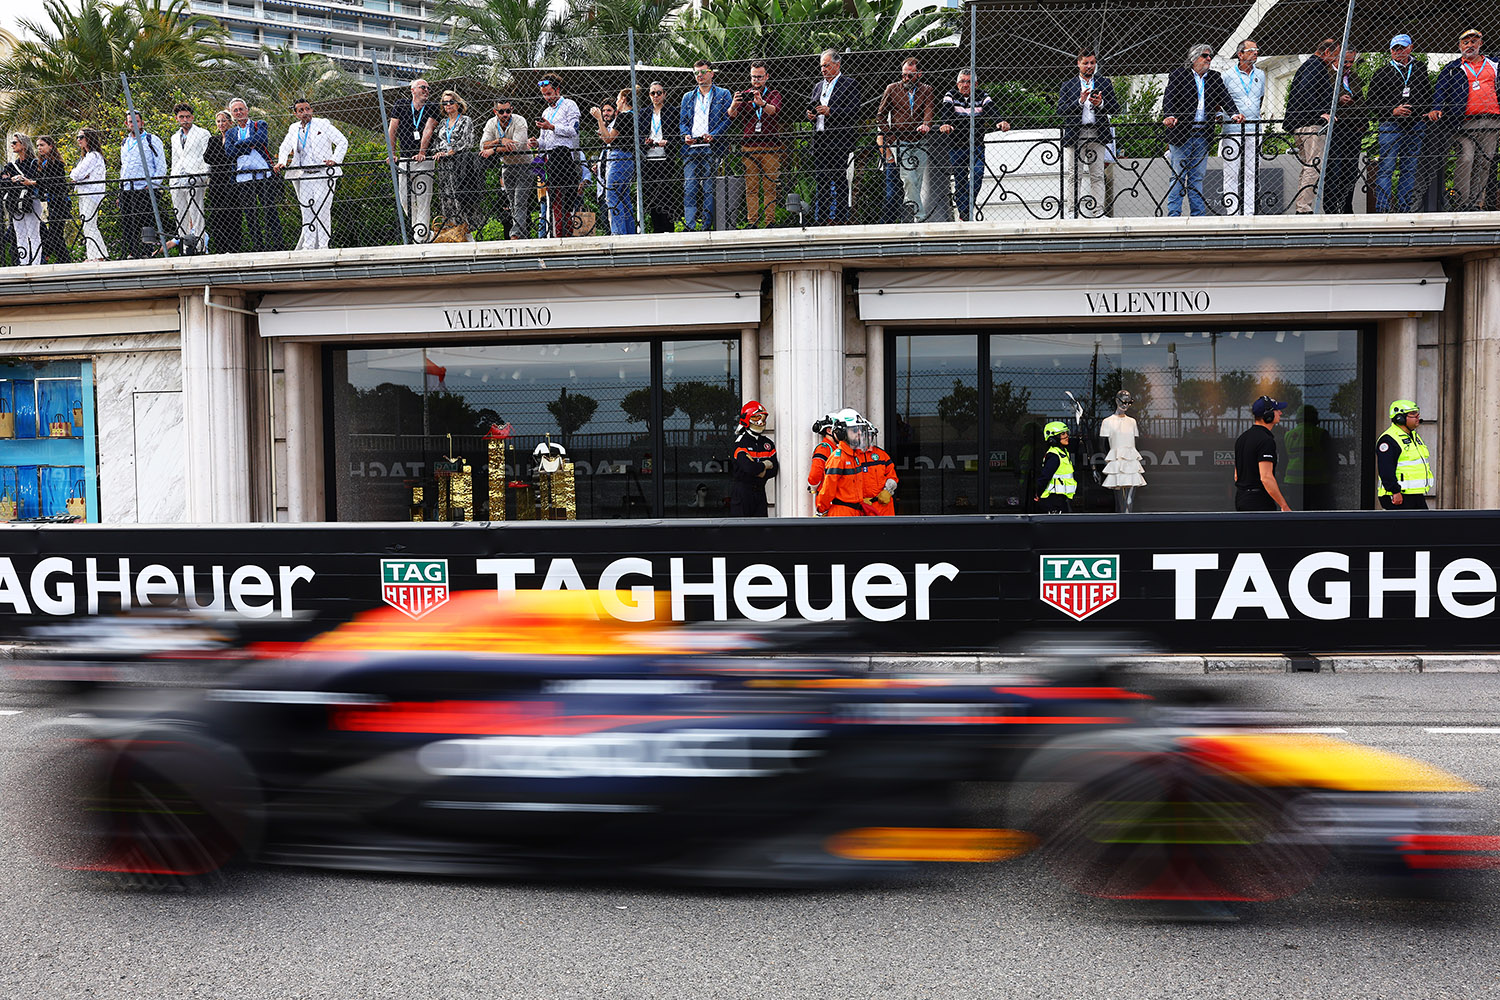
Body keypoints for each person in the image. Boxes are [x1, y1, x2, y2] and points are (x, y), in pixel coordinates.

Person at [1161, 43, 1242, 217]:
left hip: (1202, 135)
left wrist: (1234, 113)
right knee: (1178, 176)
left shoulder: (1214, 77)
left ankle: (1198, 216)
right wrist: (1169, 116)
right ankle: (1174, 215)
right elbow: (1169, 98)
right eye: (1205, 56)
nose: (1209, 59)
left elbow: (1225, 97)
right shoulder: (1179, 75)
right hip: (1181, 133)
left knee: (1197, 177)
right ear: (1194, 58)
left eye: (1210, 56)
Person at [1432, 29, 1500, 211]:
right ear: (1460, 46)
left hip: (1492, 121)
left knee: (1484, 162)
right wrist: (1437, 107)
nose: (1470, 45)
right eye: (1466, 42)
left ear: (1480, 44)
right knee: (1466, 158)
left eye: (1473, 41)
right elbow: (1440, 89)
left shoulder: (1494, 64)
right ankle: (1461, 203)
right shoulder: (1452, 68)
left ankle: (1476, 204)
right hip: (1464, 123)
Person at [1369, 35, 1432, 213]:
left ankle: (1405, 208)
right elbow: (1371, 101)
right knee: (1386, 168)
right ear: (1390, 51)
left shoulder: (1419, 68)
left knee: (1409, 168)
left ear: (1410, 48)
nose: (1398, 52)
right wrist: (1392, 110)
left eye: (1402, 48)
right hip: (1390, 125)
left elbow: (1427, 94)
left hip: (1415, 125)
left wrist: (1423, 113)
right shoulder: (1381, 72)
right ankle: (1383, 208)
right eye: (1395, 48)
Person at [275, 98, 348, 251]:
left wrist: (335, 160)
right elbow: (285, 147)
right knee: (307, 210)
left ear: (312, 110)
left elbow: (342, 141)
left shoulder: (323, 124)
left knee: (323, 209)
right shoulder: (293, 128)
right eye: (301, 110)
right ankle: (308, 246)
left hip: (323, 173)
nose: (305, 112)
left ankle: (323, 246)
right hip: (304, 174)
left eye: (307, 109)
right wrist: (282, 161)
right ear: (296, 114)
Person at [940, 68, 1009, 222]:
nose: (965, 85)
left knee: (978, 173)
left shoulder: (982, 96)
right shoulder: (951, 95)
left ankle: (965, 211)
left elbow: (992, 109)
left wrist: (1000, 121)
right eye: (962, 82)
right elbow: (946, 112)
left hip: (976, 145)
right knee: (960, 181)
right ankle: (965, 215)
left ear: (975, 84)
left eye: (969, 82)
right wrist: (945, 123)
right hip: (956, 146)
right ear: (957, 84)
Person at [1057, 50, 1120, 219]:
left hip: (1097, 133)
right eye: (1086, 63)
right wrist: (1079, 102)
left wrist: (1101, 104)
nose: (1089, 66)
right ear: (1078, 64)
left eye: (1092, 63)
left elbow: (1116, 108)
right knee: (1074, 175)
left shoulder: (1104, 82)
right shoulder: (1068, 85)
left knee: (1097, 174)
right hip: (1075, 135)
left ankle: (1098, 212)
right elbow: (1060, 110)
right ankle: (1072, 212)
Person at [877, 57, 937, 223]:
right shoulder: (892, 89)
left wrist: (926, 124)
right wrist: (890, 135)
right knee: (909, 177)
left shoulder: (926, 90)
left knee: (916, 181)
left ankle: (909, 215)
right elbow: (880, 116)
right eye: (904, 75)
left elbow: (929, 110)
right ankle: (920, 216)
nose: (906, 78)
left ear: (919, 74)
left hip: (920, 141)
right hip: (899, 140)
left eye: (910, 75)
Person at [1285, 39, 1341, 213]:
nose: (1336, 59)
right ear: (1327, 53)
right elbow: (1305, 91)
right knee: (1315, 165)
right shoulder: (1316, 66)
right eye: (1335, 55)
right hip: (1310, 125)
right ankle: (1303, 207)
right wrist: (1320, 113)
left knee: (1308, 166)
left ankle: (1302, 205)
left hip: (1301, 123)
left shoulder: (1310, 65)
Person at [807, 49, 861, 226]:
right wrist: (811, 115)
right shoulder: (818, 86)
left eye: (827, 65)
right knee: (821, 181)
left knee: (838, 179)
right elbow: (812, 106)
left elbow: (854, 111)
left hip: (838, 140)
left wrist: (831, 111)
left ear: (837, 65)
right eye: (821, 66)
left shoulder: (849, 84)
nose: (823, 69)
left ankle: (840, 218)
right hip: (820, 139)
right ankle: (822, 219)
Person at [728, 61, 784, 228]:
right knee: (751, 187)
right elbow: (731, 115)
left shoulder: (773, 93)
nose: (756, 80)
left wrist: (762, 103)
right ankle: (752, 221)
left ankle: (770, 221)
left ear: (766, 77)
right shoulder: (745, 94)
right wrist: (734, 105)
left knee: (770, 186)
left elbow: (774, 110)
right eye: (754, 77)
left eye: (759, 77)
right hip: (749, 146)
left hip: (770, 146)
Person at [679, 60, 732, 231]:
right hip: (691, 147)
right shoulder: (688, 97)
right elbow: (683, 122)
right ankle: (690, 225)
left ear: (712, 73)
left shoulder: (723, 94)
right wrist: (685, 135)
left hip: (712, 147)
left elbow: (728, 119)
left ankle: (706, 225)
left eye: (703, 72)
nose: (699, 76)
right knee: (689, 187)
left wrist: (714, 135)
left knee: (709, 188)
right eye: (696, 73)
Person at [225, 98, 280, 252]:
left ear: (247, 110)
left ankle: (277, 245)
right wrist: (249, 146)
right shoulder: (231, 132)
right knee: (250, 214)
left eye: (241, 109)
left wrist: (239, 144)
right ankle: (258, 247)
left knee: (270, 211)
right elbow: (229, 152)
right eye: (235, 110)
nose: (239, 112)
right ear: (232, 114)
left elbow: (261, 139)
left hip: (263, 175)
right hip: (243, 177)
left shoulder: (259, 125)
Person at [530, 76, 581, 238]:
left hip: (566, 157)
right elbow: (544, 141)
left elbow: (574, 131)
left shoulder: (569, 105)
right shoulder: (546, 112)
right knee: (555, 199)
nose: (547, 97)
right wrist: (536, 143)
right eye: (544, 94)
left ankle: (566, 232)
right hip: (550, 159)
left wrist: (552, 127)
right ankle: (557, 232)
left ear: (558, 90)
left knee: (566, 198)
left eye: (549, 93)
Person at [387, 78, 437, 241]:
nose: (426, 90)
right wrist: (392, 153)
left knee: (423, 198)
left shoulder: (432, 107)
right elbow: (392, 129)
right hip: (405, 158)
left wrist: (422, 152)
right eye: (423, 87)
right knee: (404, 198)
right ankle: (422, 231)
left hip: (424, 159)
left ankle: (420, 237)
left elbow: (428, 130)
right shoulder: (401, 105)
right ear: (413, 90)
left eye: (428, 88)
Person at [1221, 40, 1265, 215]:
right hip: (1233, 130)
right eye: (1251, 50)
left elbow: (1260, 98)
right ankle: (1232, 212)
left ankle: (1249, 212)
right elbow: (1220, 100)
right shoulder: (1227, 75)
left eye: (1256, 50)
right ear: (1240, 54)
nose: (1256, 52)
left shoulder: (1260, 74)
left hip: (1254, 128)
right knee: (1231, 171)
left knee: (1251, 172)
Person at [1324, 47, 1367, 214]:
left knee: (1350, 171)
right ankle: (1331, 208)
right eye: (1345, 62)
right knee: (1334, 170)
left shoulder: (1354, 77)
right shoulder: (1326, 75)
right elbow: (1320, 100)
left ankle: (1346, 206)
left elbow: (1362, 101)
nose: (1348, 65)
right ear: (1336, 59)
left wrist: (1363, 124)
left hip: (1354, 129)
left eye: (1351, 62)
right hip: (1336, 129)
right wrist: (1337, 100)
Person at [118, 111, 167, 257]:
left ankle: (147, 252)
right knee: (128, 222)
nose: (133, 124)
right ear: (127, 124)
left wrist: (153, 184)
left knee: (146, 221)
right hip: (127, 189)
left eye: (136, 121)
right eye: (130, 121)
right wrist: (121, 190)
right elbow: (123, 167)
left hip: (144, 188)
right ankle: (132, 252)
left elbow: (161, 165)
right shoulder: (125, 143)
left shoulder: (152, 140)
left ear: (142, 123)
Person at [430, 89, 477, 242]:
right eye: (445, 103)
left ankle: (466, 233)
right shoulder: (442, 123)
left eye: (451, 102)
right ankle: (453, 233)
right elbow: (436, 142)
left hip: (460, 164)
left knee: (461, 198)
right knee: (446, 199)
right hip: (444, 166)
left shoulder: (465, 120)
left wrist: (452, 151)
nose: (448, 105)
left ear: (458, 104)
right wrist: (438, 152)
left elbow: (468, 141)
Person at [480, 100, 531, 240]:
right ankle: (523, 234)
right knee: (512, 202)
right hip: (507, 166)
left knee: (519, 201)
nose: (505, 114)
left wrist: (493, 149)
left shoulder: (520, 121)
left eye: (508, 111)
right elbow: (482, 145)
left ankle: (515, 235)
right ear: (495, 111)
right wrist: (500, 141)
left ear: (512, 109)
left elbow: (516, 147)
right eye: (501, 111)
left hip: (524, 165)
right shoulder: (491, 123)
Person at [1233, 396, 1291, 512]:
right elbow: (1266, 477)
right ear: (1268, 415)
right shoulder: (1266, 441)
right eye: (1276, 410)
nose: (1280, 413)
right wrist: (1284, 506)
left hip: (1241, 498)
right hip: (1259, 501)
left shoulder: (1242, 438)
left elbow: (1236, 476)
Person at [591, 90, 636, 235]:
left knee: (611, 195)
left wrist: (599, 118)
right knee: (623, 196)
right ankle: (629, 231)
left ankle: (618, 232)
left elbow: (608, 139)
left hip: (618, 157)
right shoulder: (634, 115)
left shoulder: (624, 116)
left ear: (623, 99)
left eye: (617, 98)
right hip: (628, 158)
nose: (617, 102)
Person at [169, 102, 210, 253]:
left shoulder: (202, 133)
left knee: (196, 213)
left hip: (194, 177)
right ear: (177, 119)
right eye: (181, 117)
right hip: (177, 178)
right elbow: (175, 159)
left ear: (192, 117)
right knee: (180, 215)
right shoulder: (175, 137)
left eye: (187, 117)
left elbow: (207, 156)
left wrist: (204, 176)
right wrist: (172, 178)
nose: (185, 120)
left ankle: (200, 246)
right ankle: (184, 247)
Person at [1376, 399, 1432, 510]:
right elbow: (1386, 469)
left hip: (1414, 494)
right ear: (1399, 418)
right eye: (1413, 414)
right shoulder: (1389, 439)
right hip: (1398, 495)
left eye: (1417, 413)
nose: (1417, 416)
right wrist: (1395, 491)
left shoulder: (1413, 436)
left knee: (1426, 521)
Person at [815, 410, 871, 516]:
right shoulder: (838, 459)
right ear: (842, 433)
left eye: (859, 429)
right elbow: (828, 490)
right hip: (842, 514)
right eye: (854, 430)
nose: (859, 433)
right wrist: (821, 509)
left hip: (856, 512)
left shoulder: (854, 457)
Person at [640, 82, 679, 232]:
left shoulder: (672, 111)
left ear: (664, 94)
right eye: (652, 93)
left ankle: (669, 228)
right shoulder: (644, 113)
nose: (655, 96)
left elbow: (677, 133)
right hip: (649, 159)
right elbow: (639, 134)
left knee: (666, 195)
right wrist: (646, 142)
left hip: (665, 159)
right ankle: (657, 229)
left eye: (659, 93)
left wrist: (667, 142)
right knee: (651, 196)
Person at [0, 134, 43, 265]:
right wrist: (13, 180)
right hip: (15, 201)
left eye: (15, 142)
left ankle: (35, 263)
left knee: (33, 233)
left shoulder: (34, 162)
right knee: (20, 233)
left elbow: (32, 179)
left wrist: (13, 179)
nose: (12, 145)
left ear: (23, 145)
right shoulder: (11, 165)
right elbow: (3, 182)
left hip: (30, 200)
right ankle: (24, 262)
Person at [1099, 390, 1145, 512]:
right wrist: (1107, 462)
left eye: (1129, 403)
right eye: (1123, 402)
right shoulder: (1107, 422)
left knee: (1129, 500)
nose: (1125, 405)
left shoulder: (1132, 422)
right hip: (1116, 461)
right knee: (1120, 500)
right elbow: (1102, 445)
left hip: (1131, 461)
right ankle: (1122, 519)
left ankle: (1129, 518)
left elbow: (1136, 442)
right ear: (1116, 401)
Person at [730, 400, 777, 517]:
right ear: (747, 419)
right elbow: (748, 468)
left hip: (760, 493)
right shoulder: (741, 443)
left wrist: (757, 469)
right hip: (742, 494)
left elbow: (774, 469)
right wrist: (765, 465)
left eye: (763, 418)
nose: (760, 422)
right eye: (756, 417)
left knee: (761, 526)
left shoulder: (767, 443)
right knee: (742, 527)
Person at [1285, 404, 1335, 510]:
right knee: (1321, 514)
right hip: (1319, 482)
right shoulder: (1321, 434)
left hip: (1293, 482)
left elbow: (1284, 460)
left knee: (1297, 514)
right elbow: (1331, 458)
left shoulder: (1288, 435)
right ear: (1315, 417)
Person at [203, 111, 238, 255]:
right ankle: (220, 248)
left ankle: (234, 248)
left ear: (230, 122)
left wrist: (219, 158)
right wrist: (224, 157)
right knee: (217, 216)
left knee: (233, 214)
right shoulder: (213, 140)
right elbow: (207, 157)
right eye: (218, 121)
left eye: (224, 121)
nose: (221, 124)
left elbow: (233, 155)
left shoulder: (235, 137)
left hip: (231, 180)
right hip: (216, 182)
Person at [70, 128, 107, 261]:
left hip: (91, 193)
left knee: (89, 224)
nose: (78, 140)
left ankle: (96, 256)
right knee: (89, 224)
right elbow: (77, 174)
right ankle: (98, 255)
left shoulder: (93, 156)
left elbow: (75, 174)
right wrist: (81, 175)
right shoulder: (87, 157)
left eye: (81, 137)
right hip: (86, 193)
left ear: (89, 138)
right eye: (78, 137)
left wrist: (79, 176)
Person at [33, 135, 70, 264]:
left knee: (55, 234)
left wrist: (33, 182)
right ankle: (63, 260)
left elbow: (49, 182)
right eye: (38, 146)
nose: (39, 148)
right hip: (51, 202)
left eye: (42, 145)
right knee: (55, 234)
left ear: (50, 146)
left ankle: (63, 260)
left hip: (60, 201)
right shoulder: (43, 163)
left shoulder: (56, 163)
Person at [1035, 421, 1077, 513]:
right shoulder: (1054, 455)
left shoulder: (1063, 452)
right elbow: (1045, 477)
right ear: (1053, 438)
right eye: (1063, 434)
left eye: (1067, 433)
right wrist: (1038, 493)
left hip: (1061, 499)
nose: (1067, 436)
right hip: (1053, 500)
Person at [860, 419, 898, 516]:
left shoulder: (882, 455)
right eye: (864, 435)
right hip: (863, 507)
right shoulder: (851, 456)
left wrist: (888, 491)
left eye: (870, 435)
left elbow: (892, 476)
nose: (867, 438)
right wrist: (858, 500)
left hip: (884, 506)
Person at [806, 412, 837, 499]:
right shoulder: (824, 449)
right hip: (827, 498)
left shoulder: (834, 448)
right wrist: (813, 486)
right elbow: (815, 475)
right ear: (829, 430)